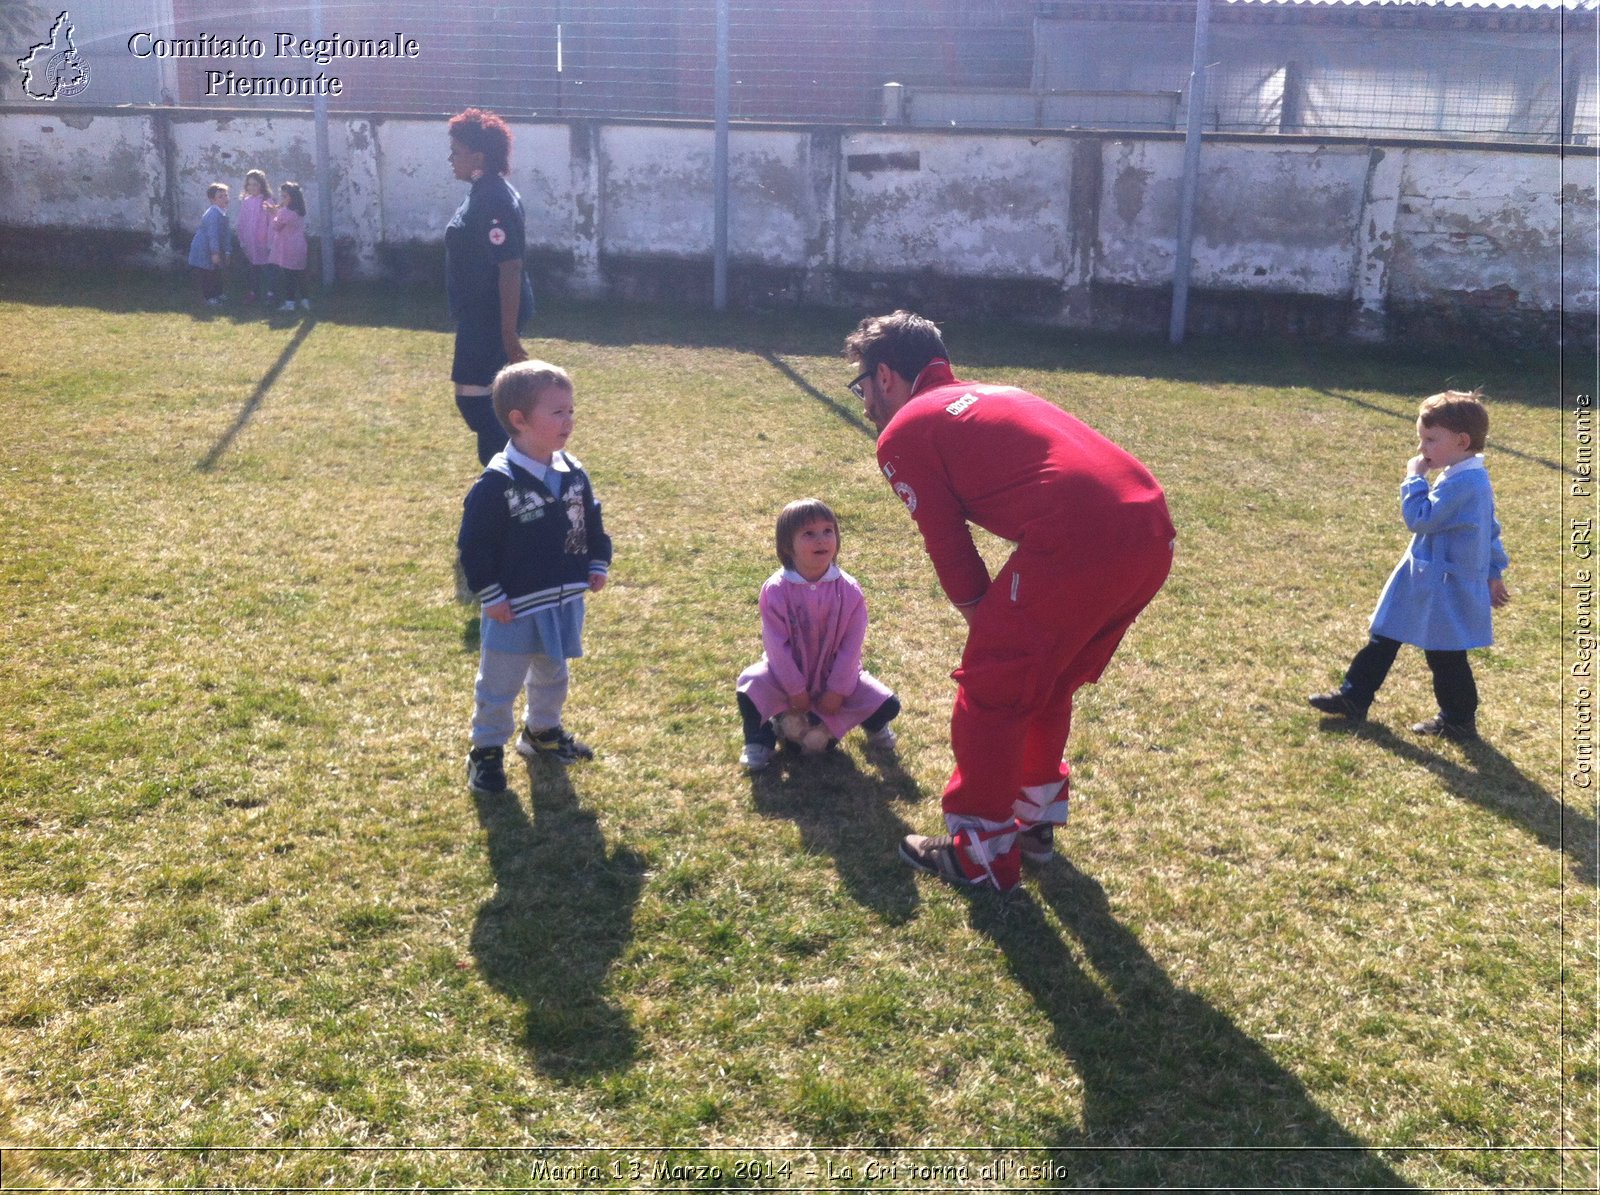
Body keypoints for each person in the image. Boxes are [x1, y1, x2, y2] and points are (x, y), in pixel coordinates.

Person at [845, 310, 1174, 893]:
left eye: (862, 383)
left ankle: (980, 855)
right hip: (1150, 525)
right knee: (1045, 682)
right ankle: (1033, 820)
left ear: (887, 375)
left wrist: (984, 623)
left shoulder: (903, 431)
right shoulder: (992, 390)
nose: (865, 401)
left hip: (1081, 535)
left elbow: (947, 543)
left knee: (993, 690)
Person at [1308, 390, 1510, 742]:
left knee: (1445, 655)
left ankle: (1459, 719)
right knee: (1383, 637)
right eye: (1422, 439)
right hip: (1422, 578)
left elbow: (1421, 518)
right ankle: (1355, 697)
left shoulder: (1467, 483)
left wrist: (1414, 479)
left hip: (1445, 585)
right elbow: (1489, 530)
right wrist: (1494, 572)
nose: (1422, 449)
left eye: (1431, 440)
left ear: (1462, 441)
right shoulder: (1462, 476)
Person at [458, 360, 611, 794]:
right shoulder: (497, 484)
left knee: (553, 673)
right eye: (557, 412)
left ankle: (541, 733)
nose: (569, 421)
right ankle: (485, 751)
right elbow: (475, 546)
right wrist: (491, 594)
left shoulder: (573, 472)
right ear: (518, 420)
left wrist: (596, 561)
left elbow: (591, 521)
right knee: (499, 683)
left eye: (571, 410)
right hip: (514, 607)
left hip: (562, 600)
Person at [735, 498, 901, 772]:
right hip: (785, 677)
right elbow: (776, 647)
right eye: (809, 534)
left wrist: (837, 690)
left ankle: (873, 724)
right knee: (751, 684)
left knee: (888, 704)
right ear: (788, 545)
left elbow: (852, 646)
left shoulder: (848, 590)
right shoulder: (776, 590)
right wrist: (795, 690)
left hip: (835, 677)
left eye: (828, 531)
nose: (821, 539)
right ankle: (760, 739)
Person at [446, 107, 535, 466]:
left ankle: (515, 473)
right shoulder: (483, 190)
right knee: (485, 402)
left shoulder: (493, 198)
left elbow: (510, 267)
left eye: (456, 152)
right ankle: (506, 475)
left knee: (479, 402)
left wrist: (508, 334)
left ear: (478, 157)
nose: (450, 159)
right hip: (479, 315)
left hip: (490, 316)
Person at [266, 181, 309, 312]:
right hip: (299, 245)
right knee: (300, 275)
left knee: (289, 277)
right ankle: (305, 300)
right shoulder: (299, 211)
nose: (282, 199)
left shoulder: (285, 212)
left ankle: (290, 303)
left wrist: (273, 213)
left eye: (285, 197)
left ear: (293, 198)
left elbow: (276, 226)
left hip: (287, 247)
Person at [186, 183, 230, 305]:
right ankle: (209, 297)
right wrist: (215, 252)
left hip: (213, 247)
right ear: (212, 200)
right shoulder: (212, 214)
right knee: (207, 273)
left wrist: (227, 251)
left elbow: (226, 234)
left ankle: (218, 293)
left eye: (226, 195)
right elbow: (212, 235)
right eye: (220, 196)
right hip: (203, 249)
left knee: (216, 271)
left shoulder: (223, 213)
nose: (225, 198)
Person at [235, 169, 273, 303]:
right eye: (249, 184)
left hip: (263, 241)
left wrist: (270, 241)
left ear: (262, 185)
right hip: (250, 241)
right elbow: (242, 221)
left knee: (267, 268)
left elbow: (271, 222)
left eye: (255, 184)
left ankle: (270, 293)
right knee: (253, 268)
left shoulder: (267, 201)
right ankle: (254, 292)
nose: (252, 187)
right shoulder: (246, 201)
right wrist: (242, 238)